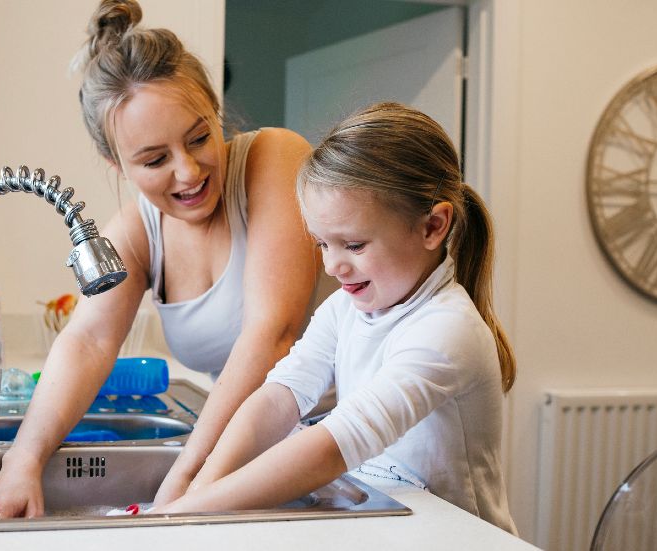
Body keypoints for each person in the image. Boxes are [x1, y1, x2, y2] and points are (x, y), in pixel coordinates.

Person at [0, 0, 317, 519]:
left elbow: (272, 333)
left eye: (200, 137)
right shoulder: (137, 233)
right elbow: (88, 341)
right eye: (155, 159)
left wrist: (182, 476)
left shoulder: (273, 159)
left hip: (360, 439)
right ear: (117, 164)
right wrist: (22, 460)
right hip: (265, 451)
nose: (188, 171)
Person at [152, 102, 519, 534]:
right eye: (323, 244)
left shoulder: (446, 328)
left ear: (433, 227)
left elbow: (333, 446)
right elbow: (280, 396)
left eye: (355, 245)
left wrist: (186, 513)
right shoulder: (346, 309)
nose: (332, 267)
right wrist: (194, 492)